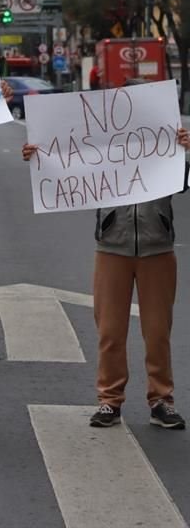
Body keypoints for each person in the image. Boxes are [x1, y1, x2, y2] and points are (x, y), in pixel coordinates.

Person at [22, 125, 189, 431]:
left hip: (158, 247)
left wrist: (184, 150)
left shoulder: (165, 147)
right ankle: (110, 400)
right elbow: (70, 169)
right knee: (110, 330)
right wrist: (39, 158)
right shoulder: (104, 150)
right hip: (112, 245)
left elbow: (183, 182)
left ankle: (161, 400)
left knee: (157, 331)